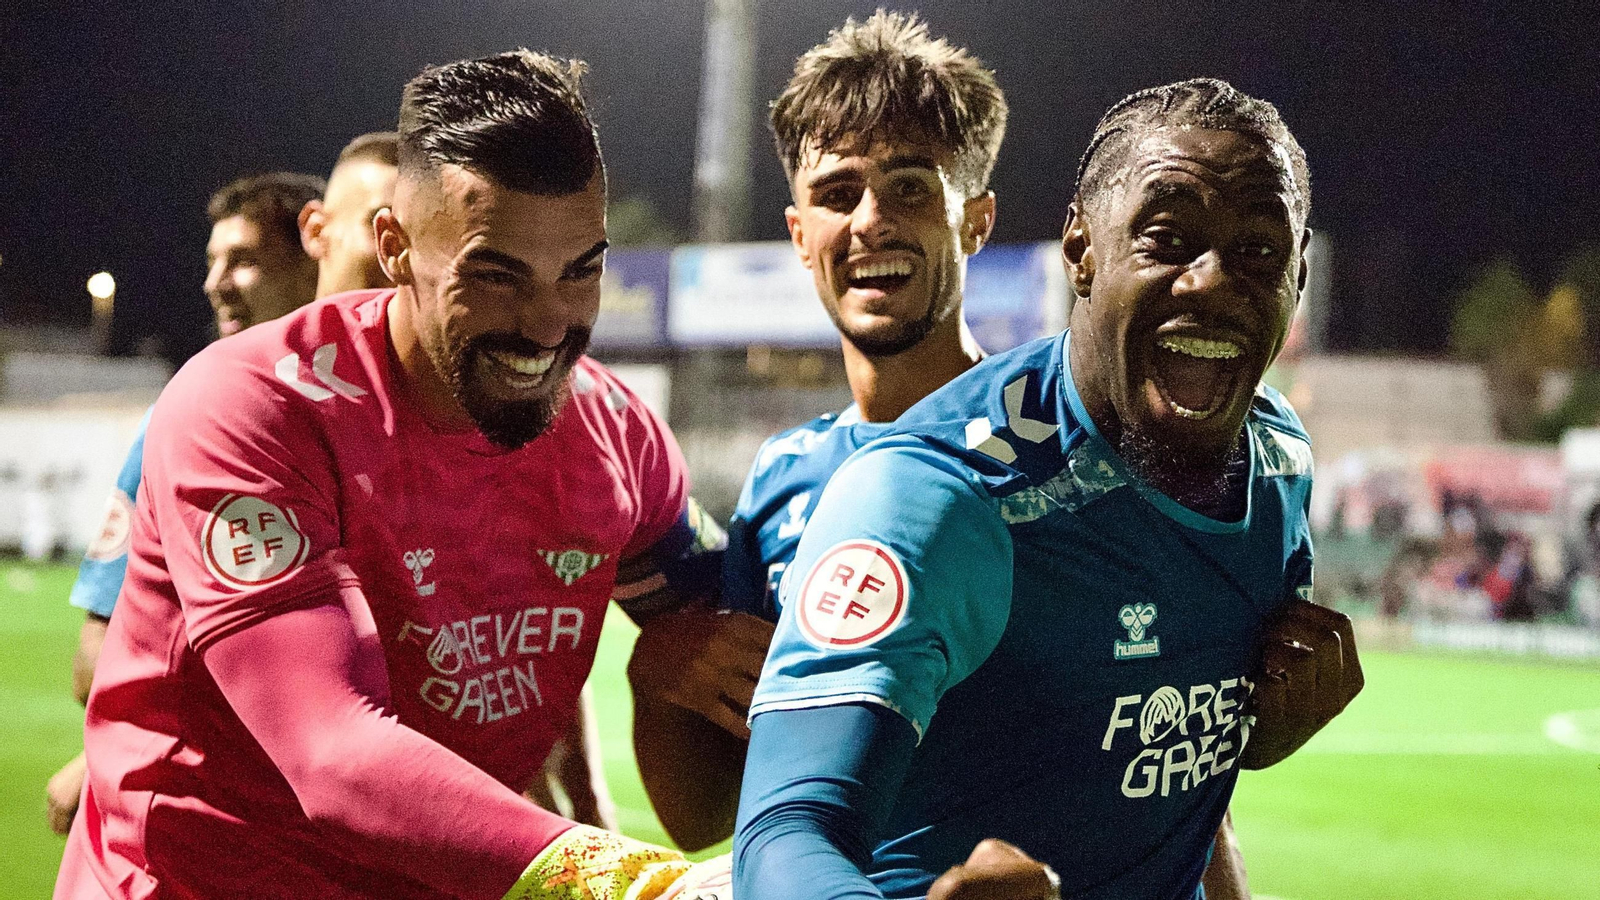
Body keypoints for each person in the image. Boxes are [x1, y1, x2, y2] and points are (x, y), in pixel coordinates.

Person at [55, 50, 722, 899]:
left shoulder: (618, 435)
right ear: (396, 248)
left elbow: (730, 652)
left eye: (580, 270)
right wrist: (630, 883)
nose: (548, 324)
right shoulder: (252, 405)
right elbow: (329, 751)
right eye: (495, 275)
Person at [732, 77, 1363, 899]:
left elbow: (1176, 765)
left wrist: (1264, 726)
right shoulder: (939, 495)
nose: (1212, 282)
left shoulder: (1279, 457)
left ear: (1298, 277)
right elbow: (784, 836)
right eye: (1166, 239)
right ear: (1081, 250)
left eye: (1259, 253)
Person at [45, 170, 325, 835]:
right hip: (216, 820)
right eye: (212, 260)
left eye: (244, 259)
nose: (214, 282)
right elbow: (96, 654)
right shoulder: (182, 415)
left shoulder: (380, 421)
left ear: (317, 257)